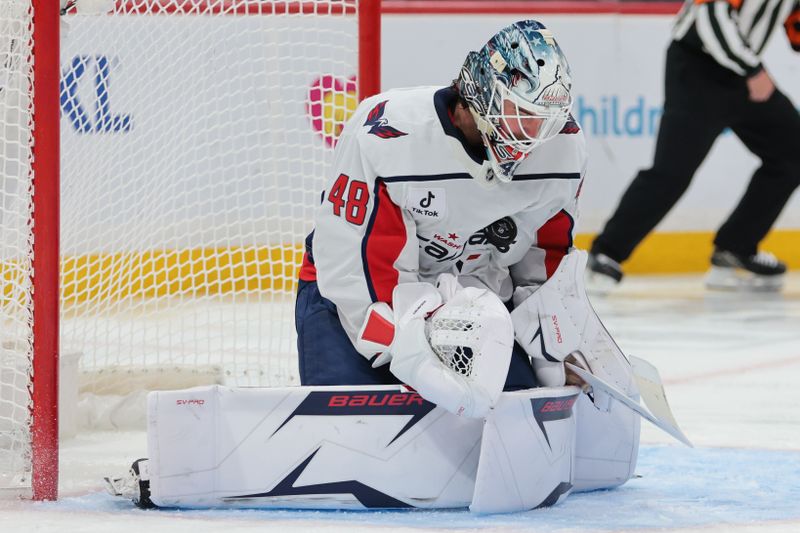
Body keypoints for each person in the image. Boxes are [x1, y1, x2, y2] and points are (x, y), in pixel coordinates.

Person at [295, 19, 585, 398]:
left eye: (544, 120)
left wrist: (553, 350)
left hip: (474, 309)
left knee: (510, 410)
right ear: (484, 91)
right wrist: (417, 359)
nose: (534, 134)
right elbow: (356, 271)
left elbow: (544, 261)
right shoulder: (387, 134)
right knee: (355, 422)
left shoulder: (562, 149)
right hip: (351, 300)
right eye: (522, 112)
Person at [587, 0, 800, 292]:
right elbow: (710, 17)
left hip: (742, 72)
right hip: (698, 68)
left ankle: (735, 249)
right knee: (673, 171)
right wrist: (752, 70)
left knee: (792, 152)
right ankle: (606, 253)